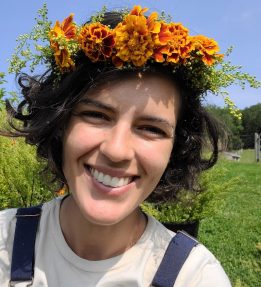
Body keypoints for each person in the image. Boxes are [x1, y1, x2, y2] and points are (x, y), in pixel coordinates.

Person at [0, 5, 232, 286]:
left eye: (150, 129)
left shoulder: (196, 277)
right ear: (61, 124)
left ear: (176, 149)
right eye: (96, 115)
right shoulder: (4, 240)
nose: (116, 150)